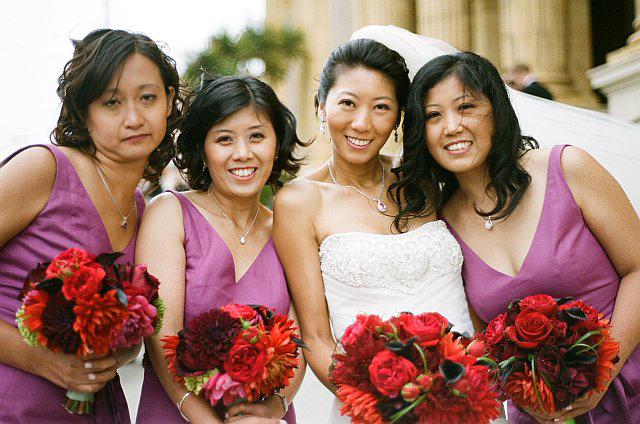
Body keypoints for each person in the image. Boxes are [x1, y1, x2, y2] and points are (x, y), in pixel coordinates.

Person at [396, 50, 640, 423]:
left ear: (496, 110)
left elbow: (638, 268)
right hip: (539, 413)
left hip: (629, 386)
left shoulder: (567, 167)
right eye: (433, 115)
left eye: (465, 107)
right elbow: (483, 340)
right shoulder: (441, 225)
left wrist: (603, 370)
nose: (451, 126)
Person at [272, 38, 474, 424]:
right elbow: (315, 338)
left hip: (468, 394)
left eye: (381, 107)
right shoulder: (299, 201)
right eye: (348, 103)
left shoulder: (425, 180)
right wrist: (388, 408)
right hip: (375, 409)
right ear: (321, 107)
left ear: (399, 117)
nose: (362, 123)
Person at [0, 28, 183, 422]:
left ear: (169, 100)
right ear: (85, 112)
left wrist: (119, 349)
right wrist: (40, 359)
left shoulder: (143, 209)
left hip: (95, 409)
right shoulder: (43, 169)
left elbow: (137, 329)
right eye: (112, 102)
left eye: (148, 97)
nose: (134, 118)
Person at [135, 75, 307, 424]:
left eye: (257, 136)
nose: (243, 153)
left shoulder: (290, 227)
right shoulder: (170, 214)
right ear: (202, 147)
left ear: (277, 142)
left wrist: (276, 408)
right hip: (177, 413)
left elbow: (301, 341)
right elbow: (161, 340)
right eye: (224, 139)